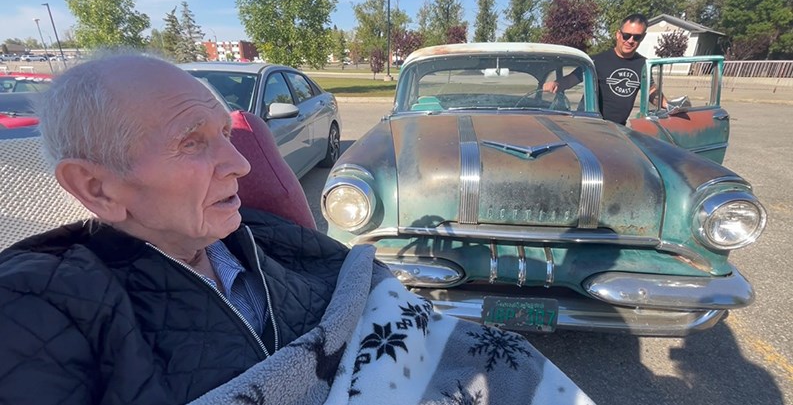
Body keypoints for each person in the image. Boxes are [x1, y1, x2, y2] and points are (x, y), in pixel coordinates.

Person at [0, 52, 593, 405]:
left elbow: (381, 306)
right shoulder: (36, 306)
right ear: (96, 187)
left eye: (225, 135)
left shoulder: (265, 235)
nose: (241, 164)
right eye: (191, 143)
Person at [544, 13, 667, 125]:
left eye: (636, 37)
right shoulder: (596, 61)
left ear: (643, 37)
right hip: (589, 124)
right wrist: (556, 84)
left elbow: (651, 92)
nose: (630, 41)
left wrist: (668, 105)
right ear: (618, 34)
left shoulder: (643, 65)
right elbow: (572, 79)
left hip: (618, 128)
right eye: (626, 35)